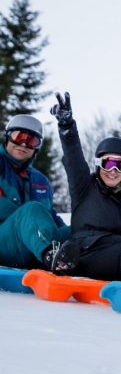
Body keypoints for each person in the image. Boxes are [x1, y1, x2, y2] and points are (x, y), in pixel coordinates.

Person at [49, 92, 121, 287]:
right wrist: (67, 126)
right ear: (98, 165)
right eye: (108, 163)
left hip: (113, 260)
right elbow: (73, 157)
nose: (113, 171)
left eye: (119, 165)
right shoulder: (84, 186)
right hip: (81, 254)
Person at [0, 114, 75, 271]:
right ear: (7, 138)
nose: (23, 144)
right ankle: (53, 257)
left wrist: (72, 233)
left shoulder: (40, 181)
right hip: (5, 242)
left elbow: (50, 216)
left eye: (31, 141)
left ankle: (106, 264)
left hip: (34, 245)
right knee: (31, 209)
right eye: (18, 136)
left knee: (82, 228)